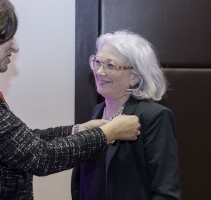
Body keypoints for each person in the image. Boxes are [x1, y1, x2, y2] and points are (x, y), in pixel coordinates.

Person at [0, 1, 141, 199]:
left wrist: (77, 130)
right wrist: (108, 133)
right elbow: (39, 157)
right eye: (7, 37)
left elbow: (21, 141)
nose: (15, 46)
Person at [71, 30, 181, 200]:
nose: (100, 72)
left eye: (110, 65)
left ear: (135, 78)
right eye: (97, 62)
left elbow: (165, 192)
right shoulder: (98, 111)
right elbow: (84, 183)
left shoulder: (154, 117)